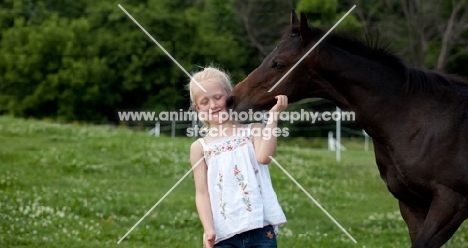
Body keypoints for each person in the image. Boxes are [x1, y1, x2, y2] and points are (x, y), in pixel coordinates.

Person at [187, 66, 287, 248]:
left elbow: (264, 157)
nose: (213, 105)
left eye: (218, 97)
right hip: (224, 234)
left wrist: (273, 116)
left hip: (260, 228)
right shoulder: (199, 148)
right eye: (204, 102)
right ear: (197, 108)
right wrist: (208, 229)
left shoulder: (253, 130)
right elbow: (202, 193)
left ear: (229, 95)